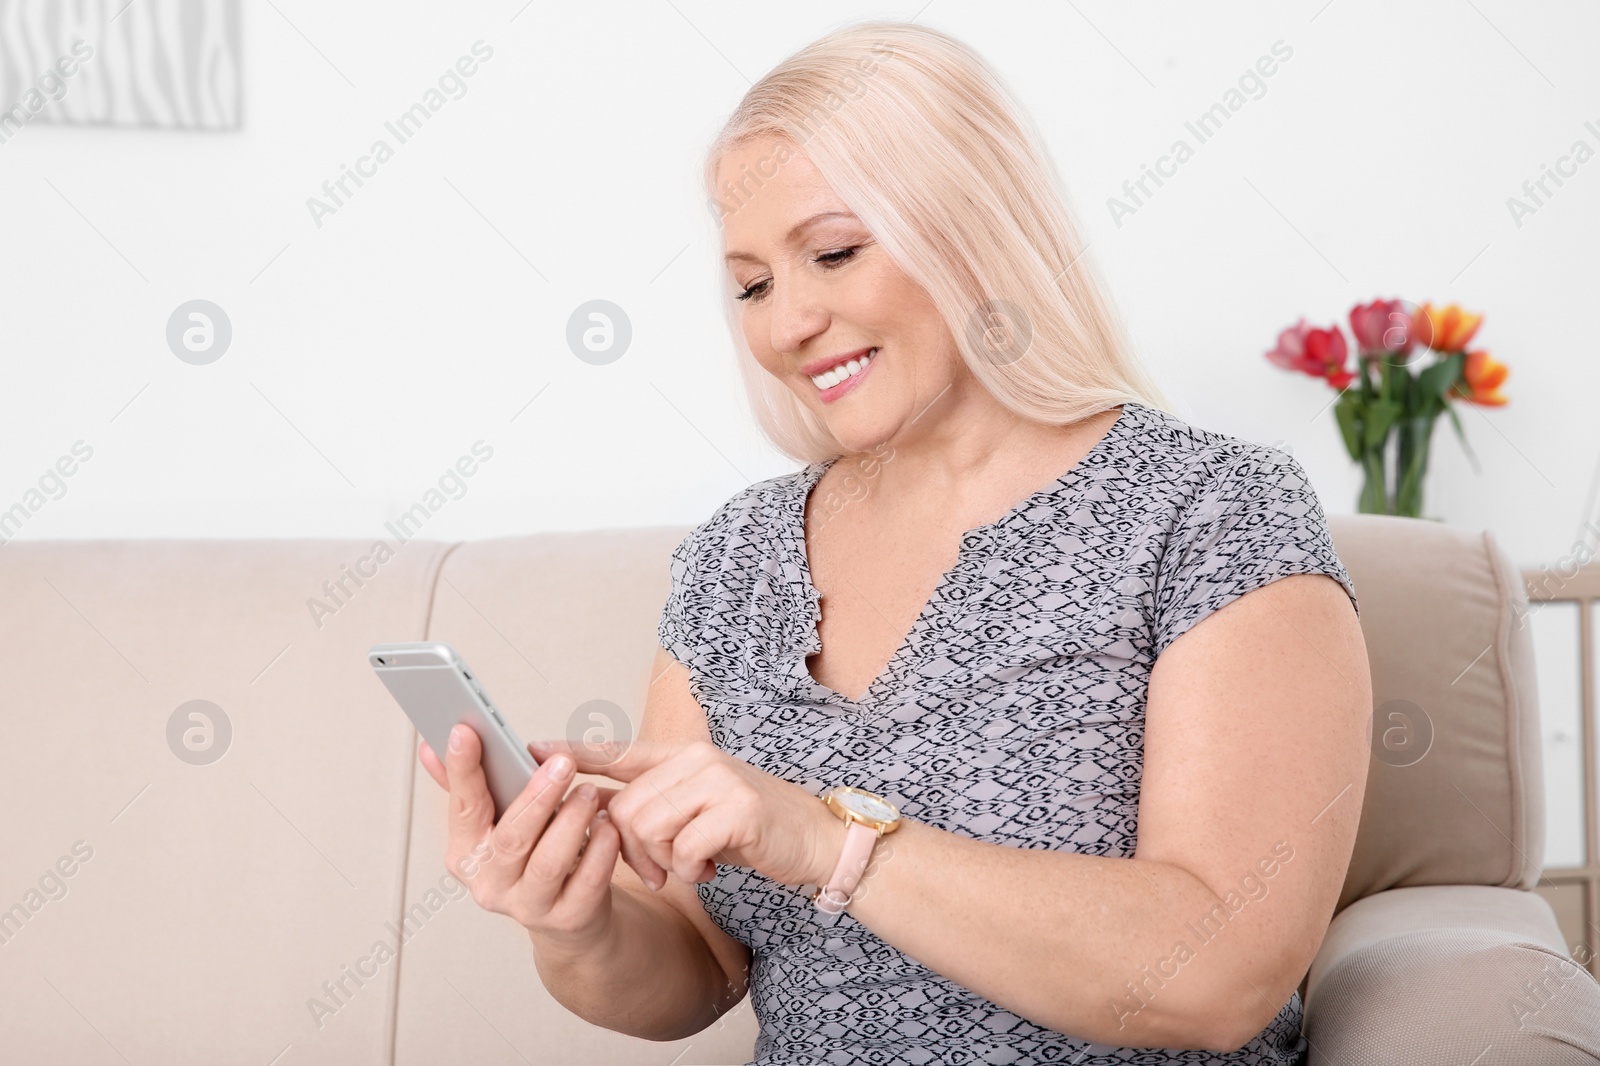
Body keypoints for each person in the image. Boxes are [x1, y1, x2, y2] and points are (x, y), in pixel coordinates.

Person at [418, 20, 1371, 1065]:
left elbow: (1217, 973)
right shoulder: (735, 560)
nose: (785, 325)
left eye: (831, 253)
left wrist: (826, 839)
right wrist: (576, 920)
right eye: (752, 284)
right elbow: (698, 962)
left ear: (973, 229)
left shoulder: (1209, 509)